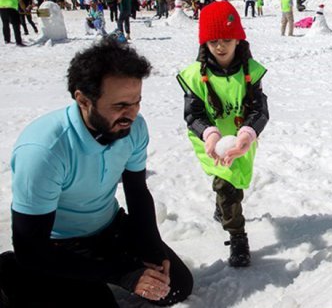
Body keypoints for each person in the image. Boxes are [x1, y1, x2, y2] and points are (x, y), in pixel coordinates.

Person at [0, 39, 194, 306]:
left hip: (108, 228)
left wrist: (151, 247)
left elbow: (137, 192)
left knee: (175, 288)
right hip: (57, 245)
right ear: (83, 100)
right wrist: (124, 274)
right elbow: (31, 248)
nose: (132, 114)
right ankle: (11, 273)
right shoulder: (44, 150)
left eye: (137, 102)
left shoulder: (134, 128)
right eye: (120, 105)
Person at [177, 1, 269, 268]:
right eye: (213, 40)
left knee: (237, 180)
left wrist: (247, 134)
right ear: (204, 43)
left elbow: (258, 109)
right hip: (209, 140)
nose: (220, 46)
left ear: (238, 39)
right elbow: (193, 113)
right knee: (226, 186)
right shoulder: (195, 76)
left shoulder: (250, 71)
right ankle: (238, 236)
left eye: (226, 39)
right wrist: (209, 134)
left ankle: (222, 208)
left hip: (241, 138)